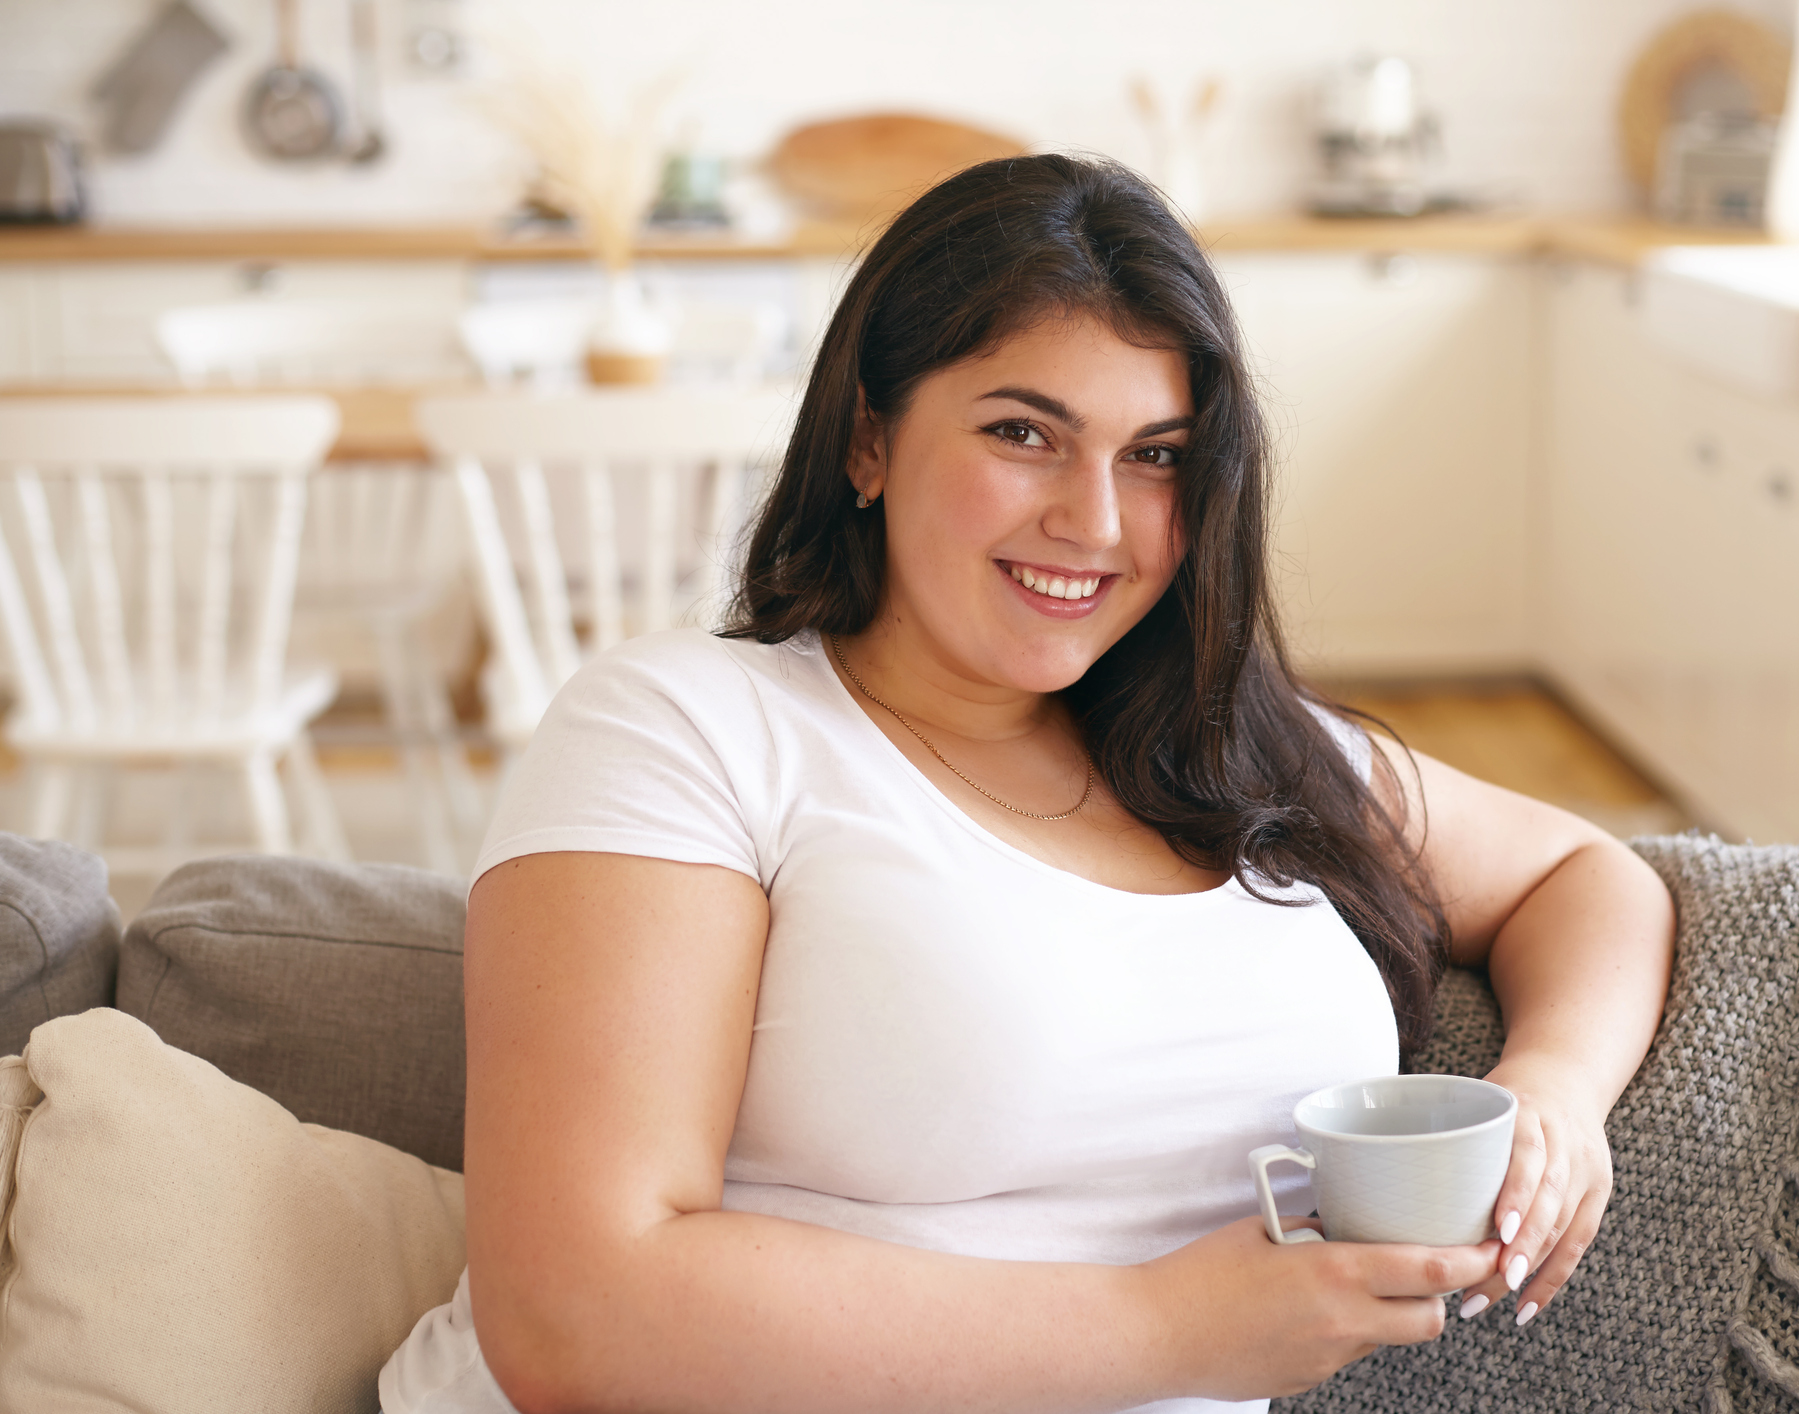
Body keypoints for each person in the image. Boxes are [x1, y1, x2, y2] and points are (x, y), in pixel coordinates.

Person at [380, 153, 1677, 1414]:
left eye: (1156, 455)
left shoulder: (1249, 755)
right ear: (866, 439)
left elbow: (1587, 875)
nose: (1095, 521)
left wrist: (1553, 1090)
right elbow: (573, 1311)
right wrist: (1167, 1325)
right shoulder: (691, 728)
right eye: (1022, 432)